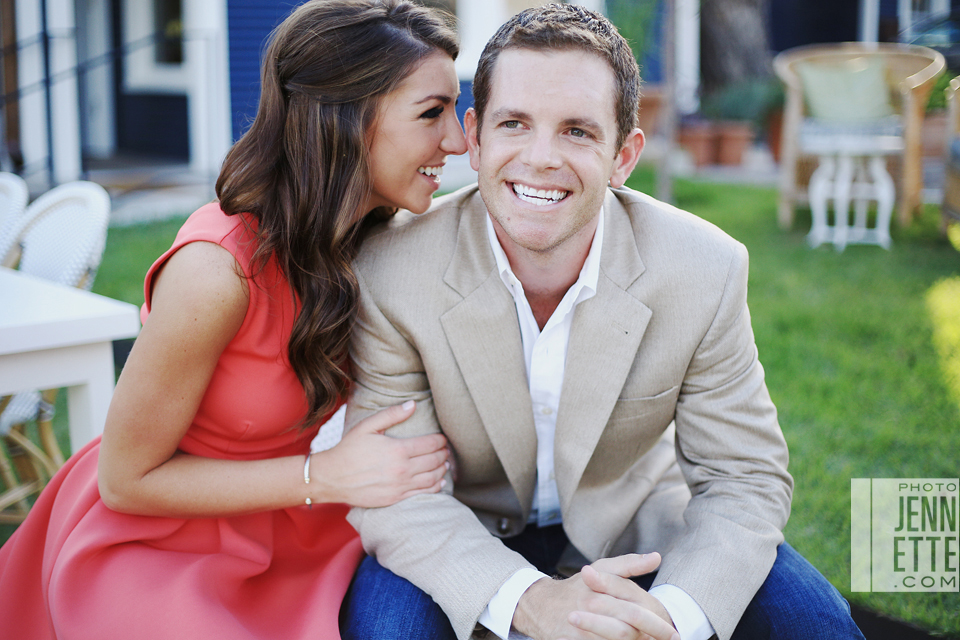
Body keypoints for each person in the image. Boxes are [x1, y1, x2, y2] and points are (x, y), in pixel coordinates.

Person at [340, 4, 866, 640]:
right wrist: (525, 600)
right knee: (387, 628)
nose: (540, 158)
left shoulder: (705, 268)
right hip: (464, 529)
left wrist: (675, 616)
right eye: (515, 124)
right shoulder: (391, 270)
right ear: (474, 137)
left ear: (624, 155)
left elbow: (743, 476)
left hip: (638, 526)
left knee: (817, 622)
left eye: (577, 132)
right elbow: (400, 494)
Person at [0, 1, 467, 638]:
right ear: (347, 120)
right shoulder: (216, 273)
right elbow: (126, 480)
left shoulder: (372, 240)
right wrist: (322, 476)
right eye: (431, 114)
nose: (458, 142)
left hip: (292, 528)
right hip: (160, 541)